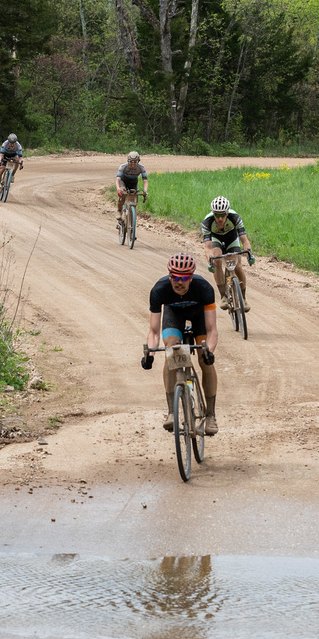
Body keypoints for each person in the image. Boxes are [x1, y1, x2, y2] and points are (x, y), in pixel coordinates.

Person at [142, 252, 220, 435]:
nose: (179, 281)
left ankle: (210, 415)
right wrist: (150, 355)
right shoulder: (159, 290)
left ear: (191, 277)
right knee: (172, 351)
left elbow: (212, 330)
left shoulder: (204, 288)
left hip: (198, 315)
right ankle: (171, 412)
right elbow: (154, 331)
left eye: (184, 277)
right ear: (169, 276)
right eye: (175, 277)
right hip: (174, 315)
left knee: (203, 358)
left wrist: (209, 351)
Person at [201, 196, 254, 311]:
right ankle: (223, 296)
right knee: (217, 260)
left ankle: (243, 298)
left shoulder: (235, 217)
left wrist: (249, 253)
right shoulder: (207, 222)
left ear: (227, 212)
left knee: (238, 266)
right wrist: (210, 261)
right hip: (216, 239)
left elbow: (244, 240)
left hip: (231, 237)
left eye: (223, 215)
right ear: (213, 213)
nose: (220, 219)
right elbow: (208, 247)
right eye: (217, 215)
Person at [116, 151, 148, 220]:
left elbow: (145, 181)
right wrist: (118, 189)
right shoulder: (123, 167)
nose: (133, 165)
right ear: (128, 161)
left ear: (138, 162)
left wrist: (145, 191)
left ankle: (131, 219)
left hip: (133, 183)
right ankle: (119, 210)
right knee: (123, 194)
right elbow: (117, 180)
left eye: (135, 163)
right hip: (123, 182)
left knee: (134, 203)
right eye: (131, 162)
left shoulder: (141, 168)